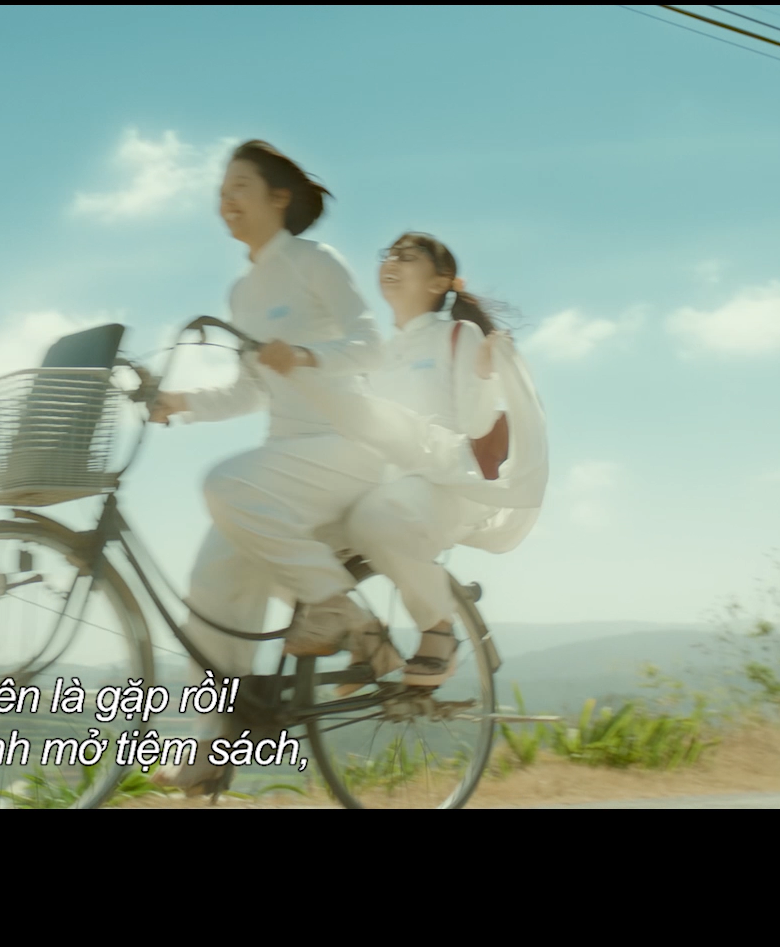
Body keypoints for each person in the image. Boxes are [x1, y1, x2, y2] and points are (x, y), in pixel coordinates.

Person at [147, 141, 406, 793]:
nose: (226, 201)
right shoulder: (242, 291)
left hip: (348, 444)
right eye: (221, 191)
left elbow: (370, 345)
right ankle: (216, 744)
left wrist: (309, 355)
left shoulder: (315, 260)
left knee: (222, 483)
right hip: (289, 458)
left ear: (279, 197)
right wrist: (182, 402)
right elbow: (247, 393)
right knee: (209, 590)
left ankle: (342, 613)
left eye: (240, 186)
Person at [332, 231, 541, 691]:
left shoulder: (457, 335)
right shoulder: (377, 353)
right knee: (285, 527)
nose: (392, 263)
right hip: (386, 484)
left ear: (440, 281)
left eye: (407, 257)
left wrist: (483, 373)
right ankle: (366, 639)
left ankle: (438, 629)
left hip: (447, 485)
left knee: (377, 517)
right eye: (388, 255)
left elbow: (477, 422)